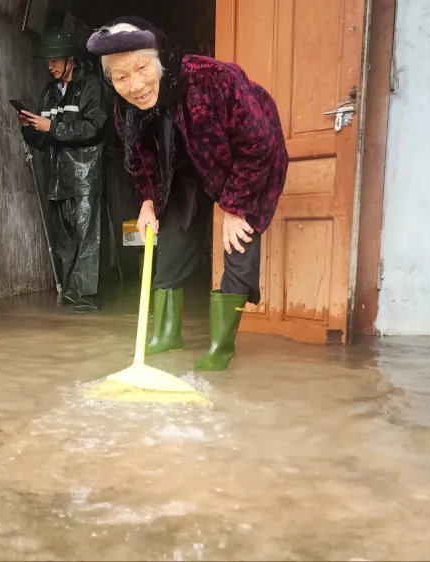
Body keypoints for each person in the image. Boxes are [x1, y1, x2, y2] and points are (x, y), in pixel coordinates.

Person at [87, 17, 289, 371]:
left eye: (141, 67)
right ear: (111, 80)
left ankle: (220, 346)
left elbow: (260, 141)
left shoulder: (210, 79)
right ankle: (167, 334)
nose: (135, 86)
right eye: (121, 77)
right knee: (172, 237)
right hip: (186, 169)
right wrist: (148, 201)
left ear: (158, 58)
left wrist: (236, 206)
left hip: (243, 162)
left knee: (238, 241)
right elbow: (141, 158)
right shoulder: (126, 111)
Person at [20, 27, 108, 313]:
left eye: (55, 59)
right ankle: (72, 295)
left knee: (87, 239)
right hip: (57, 178)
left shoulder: (91, 85)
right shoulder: (49, 93)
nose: (50, 65)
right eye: (47, 60)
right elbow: (45, 139)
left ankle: (86, 299)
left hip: (84, 176)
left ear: (71, 58)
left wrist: (52, 127)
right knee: (65, 242)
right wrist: (30, 129)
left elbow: (94, 128)